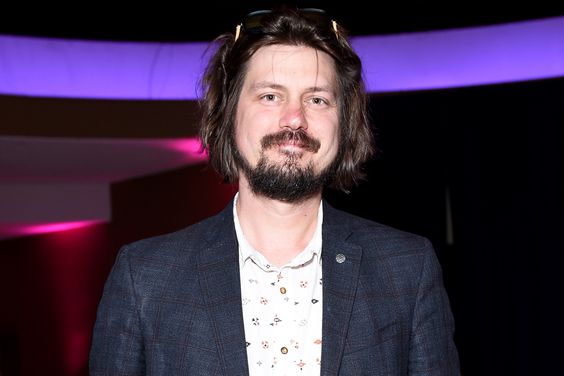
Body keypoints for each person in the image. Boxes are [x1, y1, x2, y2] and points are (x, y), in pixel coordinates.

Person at [89, 5, 460, 375]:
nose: (294, 118)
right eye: (270, 96)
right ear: (229, 116)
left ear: (345, 125)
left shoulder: (407, 270)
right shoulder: (145, 278)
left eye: (317, 99)